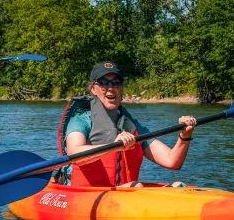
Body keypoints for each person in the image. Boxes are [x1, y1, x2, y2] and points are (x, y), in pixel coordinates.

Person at [58, 60, 197, 188]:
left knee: (178, 185)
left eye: (116, 82)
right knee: (136, 187)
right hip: (89, 196)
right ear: (93, 89)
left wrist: (184, 135)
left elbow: (172, 161)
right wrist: (114, 146)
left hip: (123, 194)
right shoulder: (81, 120)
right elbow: (74, 153)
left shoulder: (132, 126)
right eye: (104, 82)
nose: (111, 87)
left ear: (121, 87)